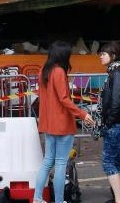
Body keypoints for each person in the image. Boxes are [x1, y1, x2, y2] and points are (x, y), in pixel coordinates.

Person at [33, 41, 94, 203]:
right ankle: (59, 201)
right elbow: (64, 99)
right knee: (60, 163)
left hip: (47, 123)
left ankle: (37, 198)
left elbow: (45, 97)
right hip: (62, 123)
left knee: (47, 161)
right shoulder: (59, 72)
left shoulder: (43, 71)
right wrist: (83, 114)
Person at [99, 42, 120, 203]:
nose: (100, 56)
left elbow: (116, 100)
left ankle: (119, 199)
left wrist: (109, 122)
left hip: (117, 123)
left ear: (113, 55)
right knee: (118, 161)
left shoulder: (118, 72)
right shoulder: (118, 71)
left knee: (108, 162)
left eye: (103, 54)